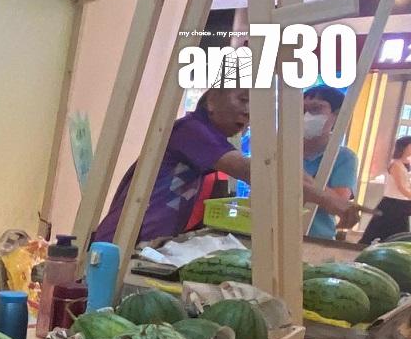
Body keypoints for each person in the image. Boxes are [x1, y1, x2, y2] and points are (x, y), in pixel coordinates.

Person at [93, 87, 361, 246]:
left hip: (149, 243)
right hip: (121, 242)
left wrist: (327, 197)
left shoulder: (214, 140)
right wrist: (329, 201)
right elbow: (252, 171)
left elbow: (275, 169)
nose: (248, 113)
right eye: (242, 100)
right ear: (211, 101)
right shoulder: (191, 131)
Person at [302, 85, 359, 240]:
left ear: (337, 115)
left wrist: (298, 179)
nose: (306, 116)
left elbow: (339, 202)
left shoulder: (343, 157)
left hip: (317, 238)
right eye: (302, 110)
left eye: (316, 109)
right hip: (272, 232)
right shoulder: (279, 151)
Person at [361, 136, 411, 245]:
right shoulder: (396, 164)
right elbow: (401, 186)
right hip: (392, 203)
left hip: (403, 203)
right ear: (404, 147)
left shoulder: (407, 163)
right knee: (376, 230)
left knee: (400, 235)